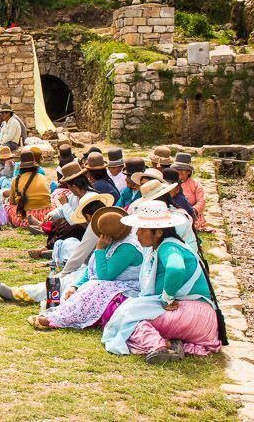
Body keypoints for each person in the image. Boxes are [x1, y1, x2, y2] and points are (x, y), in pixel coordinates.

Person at [102, 201, 222, 364]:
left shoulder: (168, 247)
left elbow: (176, 268)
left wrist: (167, 298)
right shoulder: (166, 245)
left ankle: (159, 346)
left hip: (196, 315)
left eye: (142, 229)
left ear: (158, 232)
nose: (137, 234)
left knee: (131, 321)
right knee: (126, 314)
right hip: (200, 316)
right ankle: (173, 343)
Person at [27, 207, 143, 330]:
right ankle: (57, 314)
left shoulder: (127, 247)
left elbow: (105, 277)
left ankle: (56, 320)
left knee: (94, 287)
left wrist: (100, 250)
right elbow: (91, 268)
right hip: (109, 285)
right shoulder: (111, 242)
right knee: (74, 285)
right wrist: (75, 286)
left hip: (127, 289)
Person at [0, 195, 112, 304]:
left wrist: (64, 274)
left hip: (104, 274)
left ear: (89, 217)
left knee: (64, 281)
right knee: (66, 243)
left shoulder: (97, 226)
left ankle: (19, 293)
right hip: (97, 266)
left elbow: (91, 263)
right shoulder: (109, 223)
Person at [5, 149, 52, 227]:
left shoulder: (15, 181)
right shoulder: (42, 177)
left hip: (24, 216)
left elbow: (12, 202)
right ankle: (41, 223)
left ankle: (29, 222)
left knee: (7, 208)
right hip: (46, 215)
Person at [172, 153, 211, 232]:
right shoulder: (170, 183)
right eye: (177, 169)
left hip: (191, 213)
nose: (179, 172)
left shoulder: (195, 184)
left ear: (188, 172)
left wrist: (194, 210)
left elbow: (202, 201)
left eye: (182, 170)